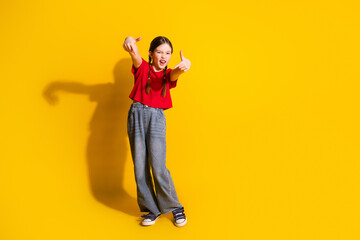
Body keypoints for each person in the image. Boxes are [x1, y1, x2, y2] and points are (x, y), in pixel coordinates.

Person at [122, 36, 191, 227]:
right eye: (159, 52)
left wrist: (184, 65)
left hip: (157, 117)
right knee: (140, 166)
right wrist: (129, 41)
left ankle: (175, 207)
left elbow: (175, 73)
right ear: (151, 54)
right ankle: (152, 209)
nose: (164, 56)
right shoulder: (142, 67)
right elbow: (133, 52)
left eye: (168, 53)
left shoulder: (168, 74)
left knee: (158, 165)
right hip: (136, 113)